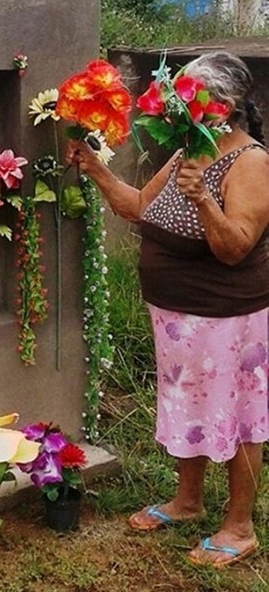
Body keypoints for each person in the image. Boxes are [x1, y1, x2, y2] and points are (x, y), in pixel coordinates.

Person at [66, 51, 268, 568]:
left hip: (228, 318)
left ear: (220, 104)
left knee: (238, 413)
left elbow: (235, 246)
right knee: (191, 407)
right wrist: (93, 167)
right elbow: (137, 208)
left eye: (183, 95)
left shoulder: (251, 162)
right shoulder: (187, 153)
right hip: (178, 317)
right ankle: (188, 501)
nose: (172, 105)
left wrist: (204, 200)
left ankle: (240, 526)